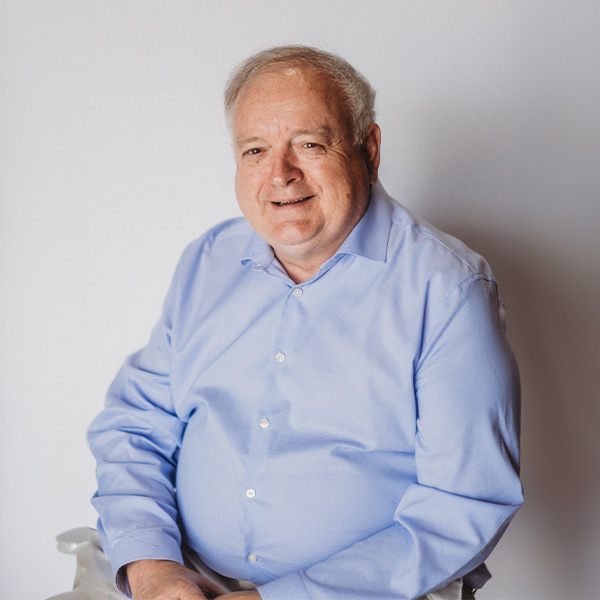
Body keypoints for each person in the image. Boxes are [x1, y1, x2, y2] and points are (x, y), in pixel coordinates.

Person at [88, 45, 523, 600]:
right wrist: (153, 569)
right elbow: (136, 426)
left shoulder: (449, 291)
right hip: (182, 578)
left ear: (369, 149)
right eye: (255, 150)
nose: (281, 175)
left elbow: (463, 505)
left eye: (310, 145)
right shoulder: (208, 261)